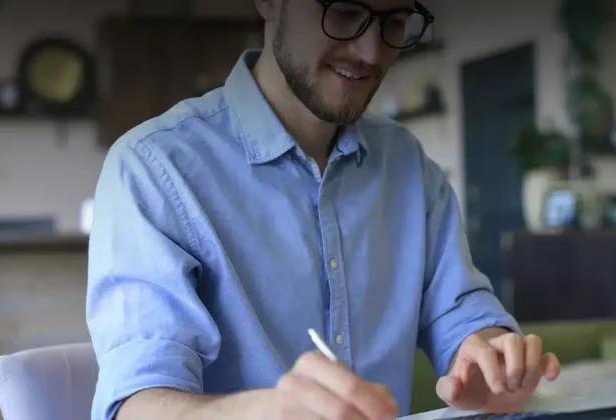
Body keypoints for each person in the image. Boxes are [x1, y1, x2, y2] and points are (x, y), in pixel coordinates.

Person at [86, 0, 561, 419]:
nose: (371, 52)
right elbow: (138, 403)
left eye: (394, 21)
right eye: (346, 12)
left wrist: (488, 352)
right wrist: (263, 413)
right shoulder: (153, 169)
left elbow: (459, 313)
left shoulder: (409, 165)